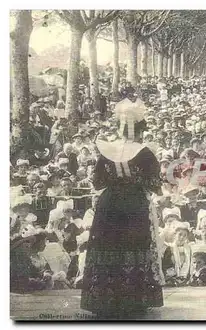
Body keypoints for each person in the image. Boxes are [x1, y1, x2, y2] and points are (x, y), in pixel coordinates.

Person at [80, 91, 164, 319]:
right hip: (134, 205)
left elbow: (97, 182)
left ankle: (105, 298)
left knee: (108, 248)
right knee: (133, 248)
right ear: (139, 129)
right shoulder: (145, 152)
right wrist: (136, 180)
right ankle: (133, 300)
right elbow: (155, 184)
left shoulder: (107, 150)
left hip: (109, 205)